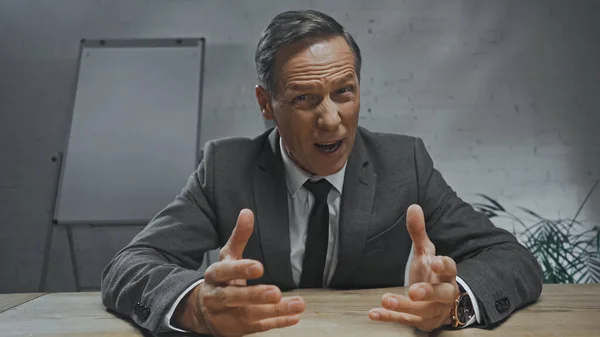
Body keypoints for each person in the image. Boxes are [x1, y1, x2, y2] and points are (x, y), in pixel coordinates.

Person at [101, 9, 543, 337]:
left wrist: (455, 305)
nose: (331, 120)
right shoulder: (225, 169)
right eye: (304, 99)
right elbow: (129, 266)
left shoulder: (404, 163)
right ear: (265, 104)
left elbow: (513, 260)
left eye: (344, 92)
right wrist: (196, 305)